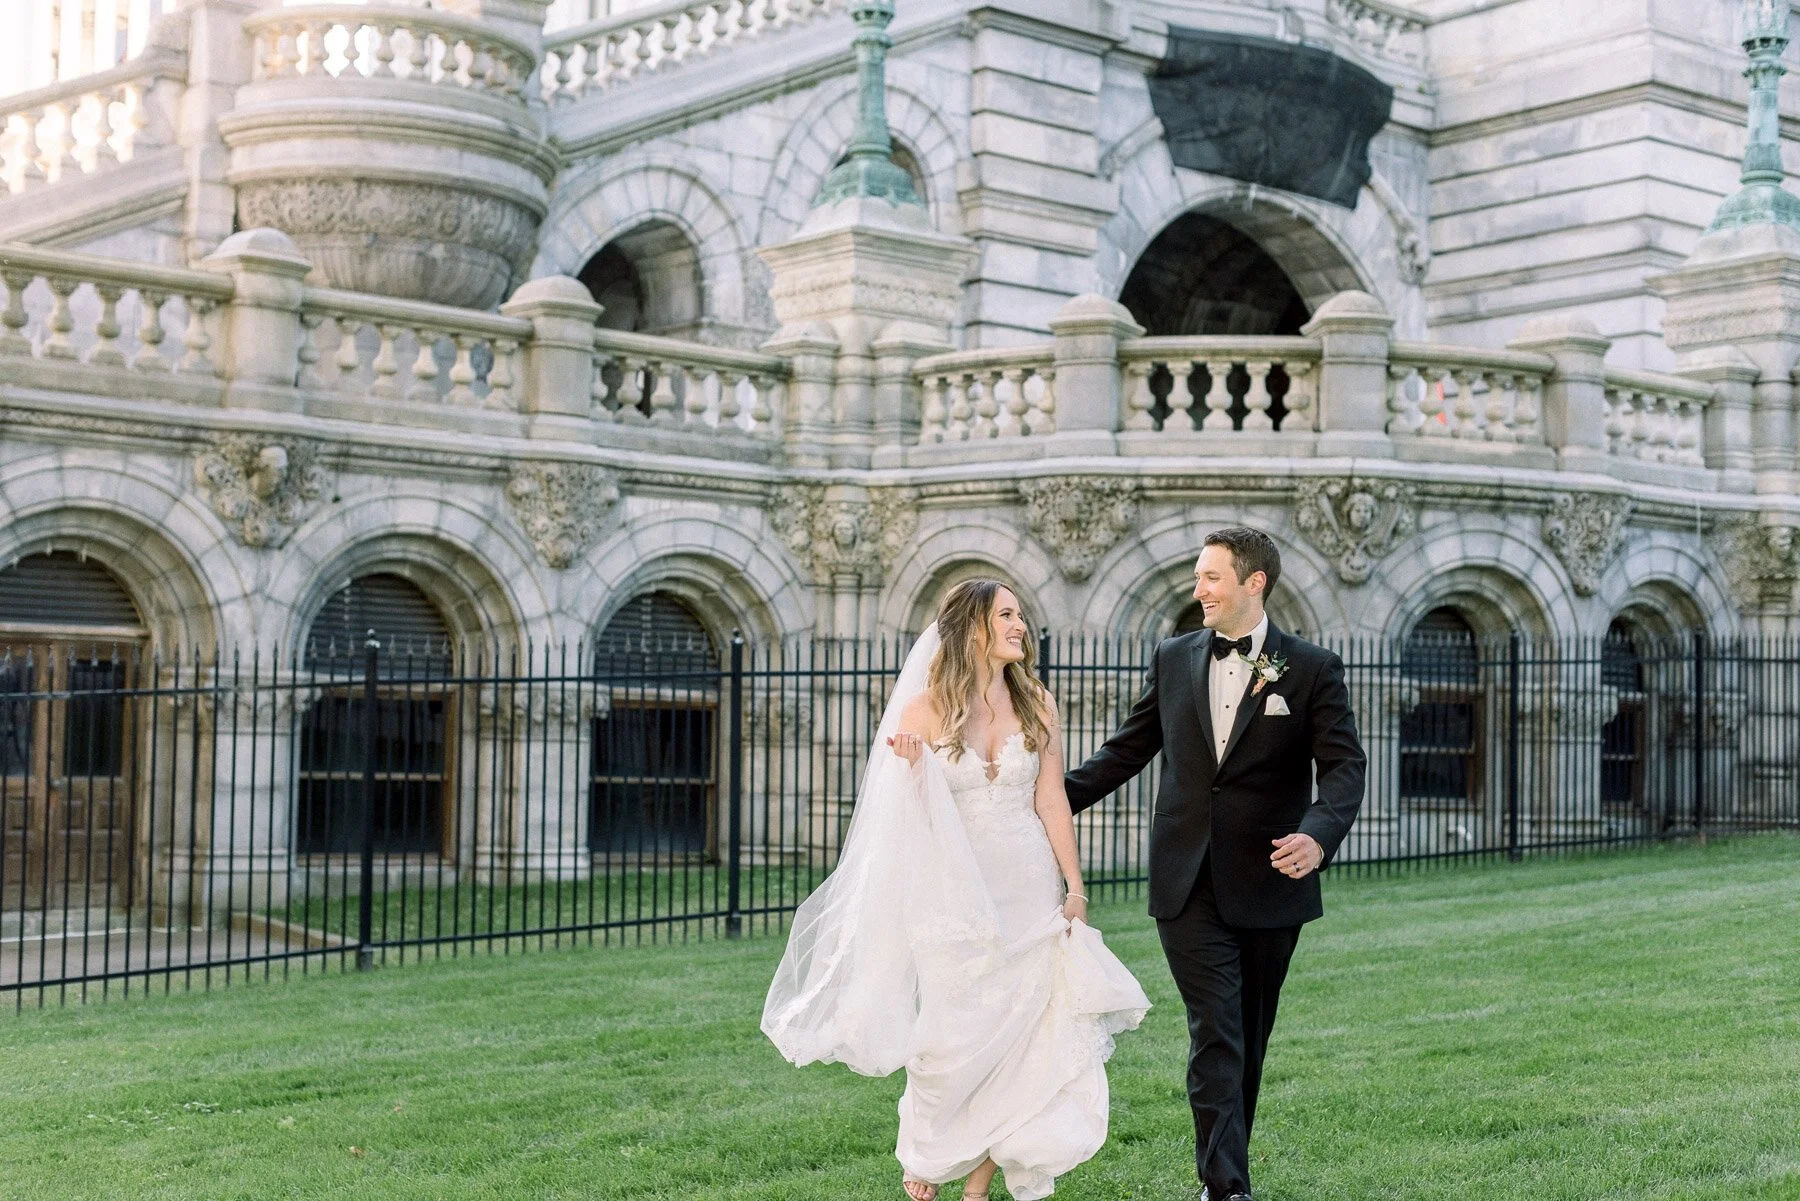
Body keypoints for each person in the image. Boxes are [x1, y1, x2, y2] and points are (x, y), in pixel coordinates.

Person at [764, 580, 1149, 1201]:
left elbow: (1050, 797)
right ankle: (932, 1148)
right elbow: (899, 821)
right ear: (975, 627)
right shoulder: (920, 712)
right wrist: (914, 767)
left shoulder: (1037, 705)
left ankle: (977, 1183)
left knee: (1028, 1032)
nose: (1021, 625)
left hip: (1028, 885)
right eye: (1007, 615)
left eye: (1020, 614)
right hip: (953, 892)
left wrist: (1073, 885)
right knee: (951, 1038)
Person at [1065, 527, 1366, 1201]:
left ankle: (1227, 1169)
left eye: (1210, 577)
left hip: (1272, 880)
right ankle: (1225, 1187)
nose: (1197, 588)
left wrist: (1318, 835)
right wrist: (1043, 801)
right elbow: (1125, 751)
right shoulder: (1173, 657)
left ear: (1253, 582)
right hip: (1186, 879)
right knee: (1216, 1028)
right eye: (1198, 576)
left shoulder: (1312, 668)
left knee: (1248, 1035)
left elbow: (1345, 766)